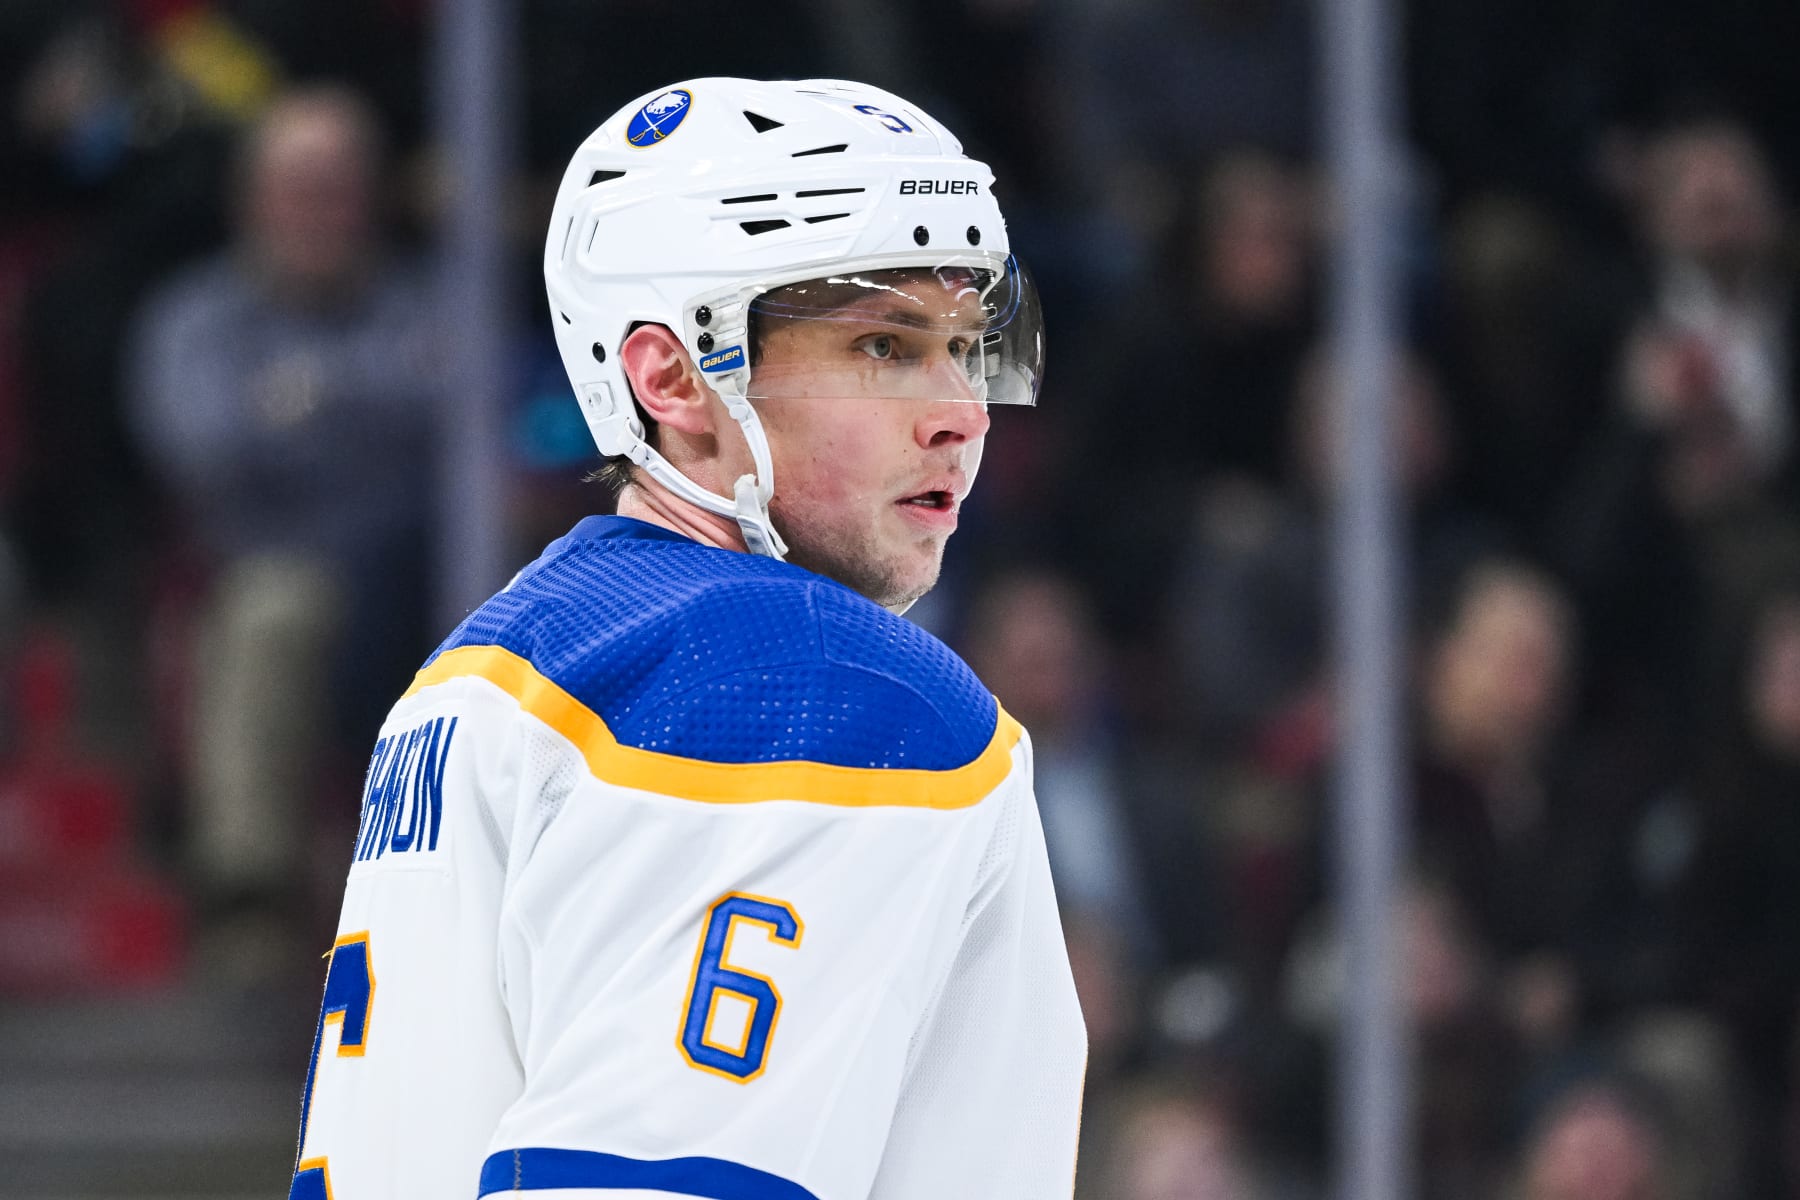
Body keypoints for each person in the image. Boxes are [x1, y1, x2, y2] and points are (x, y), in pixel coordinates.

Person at [286, 78, 1086, 1200]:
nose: (962, 412)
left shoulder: (490, 661)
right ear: (670, 378)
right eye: (883, 346)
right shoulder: (816, 682)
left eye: (968, 345)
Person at [125, 86, 439, 965]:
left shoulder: (428, 302)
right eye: (298, 189)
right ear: (252, 200)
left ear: (372, 199)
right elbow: (207, 452)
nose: (317, 213)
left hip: (424, 573)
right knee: (275, 612)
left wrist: (302, 405)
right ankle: (249, 898)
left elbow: (471, 421)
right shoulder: (193, 319)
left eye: (336, 190)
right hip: (274, 570)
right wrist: (377, 415)